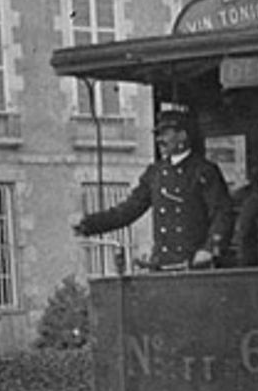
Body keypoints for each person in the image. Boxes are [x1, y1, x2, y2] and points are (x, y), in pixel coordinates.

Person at [73, 102, 232, 270]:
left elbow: (222, 213)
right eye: (158, 135)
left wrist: (209, 250)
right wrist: (89, 224)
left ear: (183, 136)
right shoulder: (155, 173)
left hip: (194, 264)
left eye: (165, 134)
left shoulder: (204, 171)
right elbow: (128, 210)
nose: (159, 140)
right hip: (162, 264)